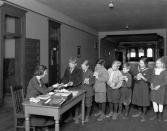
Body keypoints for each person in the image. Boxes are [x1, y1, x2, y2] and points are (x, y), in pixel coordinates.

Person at [26, 65, 55, 130]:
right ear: (41, 71)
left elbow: (45, 89)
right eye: (45, 71)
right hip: (30, 103)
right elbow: (44, 91)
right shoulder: (34, 80)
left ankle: (43, 125)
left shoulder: (40, 80)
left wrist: (51, 90)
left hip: (37, 100)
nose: (46, 73)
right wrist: (53, 87)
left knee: (48, 106)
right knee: (46, 110)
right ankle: (43, 125)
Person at [61, 57, 82, 123]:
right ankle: (71, 116)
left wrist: (73, 83)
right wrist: (63, 83)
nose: (70, 65)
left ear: (75, 64)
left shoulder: (79, 70)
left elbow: (79, 79)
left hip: (76, 87)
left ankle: (77, 117)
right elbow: (65, 77)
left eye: (72, 64)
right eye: (70, 64)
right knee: (69, 102)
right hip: (68, 88)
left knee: (76, 103)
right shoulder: (67, 69)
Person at [132, 57, 152, 122]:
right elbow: (134, 76)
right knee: (138, 99)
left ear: (145, 63)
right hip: (137, 86)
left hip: (144, 87)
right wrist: (136, 77)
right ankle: (139, 112)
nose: (140, 64)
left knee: (144, 100)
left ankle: (144, 114)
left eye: (142, 63)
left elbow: (148, 80)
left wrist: (142, 77)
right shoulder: (137, 68)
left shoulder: (148, 70)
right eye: (140, 62)